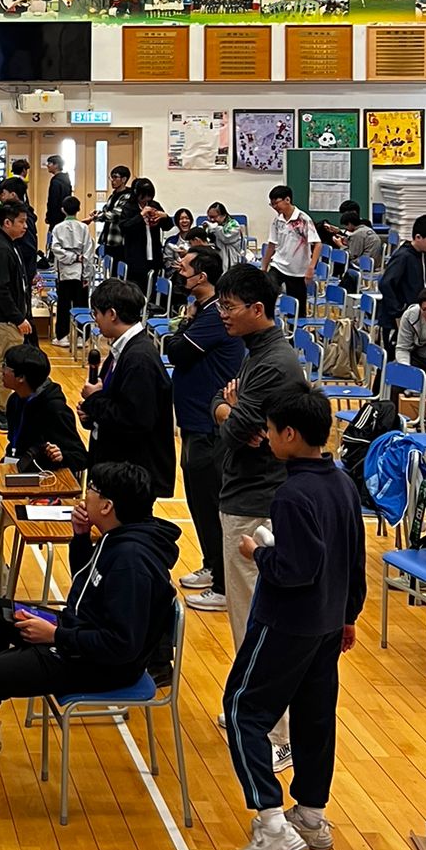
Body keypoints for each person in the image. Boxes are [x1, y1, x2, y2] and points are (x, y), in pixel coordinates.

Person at [0, 462, 179, 836]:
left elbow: (121, 646)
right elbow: (88, 585)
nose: (85, 495)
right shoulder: (119, 538)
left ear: (107, 506)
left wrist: (54, 636)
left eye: (92, 490)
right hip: (77, 635)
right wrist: (80, 537)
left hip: (97, 664)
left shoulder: (131, 562)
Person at [222, 388, 365, 850]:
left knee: (242, 709)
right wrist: (348, 616)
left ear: (289, 433)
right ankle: (310, 815)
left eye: (269, 429)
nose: (265, 436)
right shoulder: (342, 483)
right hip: (327, 624)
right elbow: (354, 560)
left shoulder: (291, 494)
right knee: (314, 717)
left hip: (286, 624)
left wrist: (257, 553)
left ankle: (271, 824)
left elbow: (294, 570)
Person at [213, 266, 309, 770]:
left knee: (258, 619)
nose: (221, 314)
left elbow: (236, 430)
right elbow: (222, 408)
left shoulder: (273, 362)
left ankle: (278, 734)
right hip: (243, 493)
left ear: (257, 309)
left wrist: (232, 414)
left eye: (229, 306)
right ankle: (251, 711)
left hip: (256, 500)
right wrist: (228, 409)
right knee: (245, 617)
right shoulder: (257, 352)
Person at [0, 346, 87, 607]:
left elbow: (80, 456)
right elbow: (14, 448)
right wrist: (1, 473)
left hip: (44, 489)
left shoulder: (55, 409)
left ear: (21, 377)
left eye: (6, 368)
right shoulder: (15, 401)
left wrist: (62, 455)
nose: (1, 371)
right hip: (16, 477)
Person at [165, 247, 246, 617]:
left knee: (212, 502)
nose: (179, 273)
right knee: (199, 501)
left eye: (185, 268)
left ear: (202, 276)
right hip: (193, 420)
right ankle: (212, 564)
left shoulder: (213, 315)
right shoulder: (203, 311)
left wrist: (183, 326)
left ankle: (225, 586)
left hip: (208, 423)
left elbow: (177, 350)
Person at [77, 277, 176, 498]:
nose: (95, 320)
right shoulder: (123, 349)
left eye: (96, 313)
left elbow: (135, 419)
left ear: (112, 314)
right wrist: (90, 413)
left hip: (130, 476)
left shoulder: (139, 359)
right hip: (114, 465)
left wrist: (94, 400)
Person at [0, 200, 36, 432]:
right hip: (3, 318)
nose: (25, 226)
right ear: (7, 223)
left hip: (5, 316)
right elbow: (0, 290)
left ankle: (0, 408)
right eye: (21, 222)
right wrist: (18, 318)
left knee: (3, 363)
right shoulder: (2, 249)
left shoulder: (9, 244)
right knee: (8, 366)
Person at [376, 215, 426, 346]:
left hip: (418, 315)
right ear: (418, 237)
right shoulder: (403, 256)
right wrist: (398, 310)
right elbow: (385, 284)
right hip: (395, 319)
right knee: (394, 353)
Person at [261, 185, 319, 314]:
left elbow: (317, 244)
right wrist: (264, 268)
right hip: (278, 265)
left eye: (276, 203)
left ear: (287, 200)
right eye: (272, 204)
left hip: (297, 271)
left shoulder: (303, 219)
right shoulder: (277, 220)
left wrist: (311, 268)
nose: (275, 207)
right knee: (266, 294)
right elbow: (271, 244)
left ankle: (295, 325)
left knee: (298, 311)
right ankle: (268, 322)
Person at [48, 195, 96, 346]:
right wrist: (86, 273)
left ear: (63, 210)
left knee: (63, 304)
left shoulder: (57, 228)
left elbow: (55, 248)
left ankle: (62, 336)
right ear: (78, 209)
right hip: (80, 272)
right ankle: (83, 337)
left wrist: (70, 257)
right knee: (81, 304)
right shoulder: (84, 228)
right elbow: (88, 252)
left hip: (64, 270)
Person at [96, 165, 135, 262]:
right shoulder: (113, 195)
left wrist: (97, 216)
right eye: (111, 178)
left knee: (118, 265)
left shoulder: (128, 196)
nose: (112, 181)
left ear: (124, 179)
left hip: (119, 239)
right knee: (109, 265)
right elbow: (105, 211)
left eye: (115, 177)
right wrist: (96, 214)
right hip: (108, 237)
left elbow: (115, 215)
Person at [330, 202, 383, 272]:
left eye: (346, 225)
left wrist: (340, 245)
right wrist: (347, 240)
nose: (345, 228)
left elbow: (352, 255)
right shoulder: (366, 229)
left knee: (340, 261)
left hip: (365, 264)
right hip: (374, 262)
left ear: (350, 223)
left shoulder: (357, 234)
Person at [204, 203, 247, 269]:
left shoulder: (233, 225)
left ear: (223, 215)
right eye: (209, 217)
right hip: (216, 257)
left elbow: (225, 238)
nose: (212, 220)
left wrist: (215, 228)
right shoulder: (212, 226)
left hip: (230, 258)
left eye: (214, 217)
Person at [42, 154, 72, 231]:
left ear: (56, 165)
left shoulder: (55, 181)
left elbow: (53, 201)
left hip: (56, 217)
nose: (47, 165)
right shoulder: (66, 179)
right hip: (65, 215)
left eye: (49, 163)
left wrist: (49, 216)